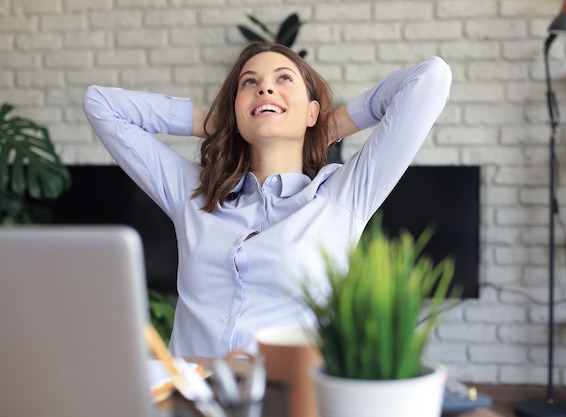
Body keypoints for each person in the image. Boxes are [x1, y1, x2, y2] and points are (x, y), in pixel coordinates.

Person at [83, 41, 451, 357]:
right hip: (193, 401)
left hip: (292, 399)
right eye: (250, 83)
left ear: (312, 110)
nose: (265, 89)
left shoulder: (341, 195)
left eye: (283, 78)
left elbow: (431, 78)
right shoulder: (194, 193)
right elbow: (100, 103)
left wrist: (332, 126)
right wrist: (217, 123)